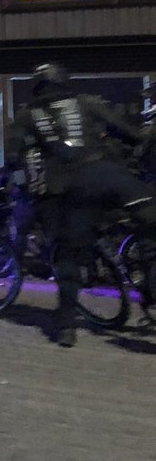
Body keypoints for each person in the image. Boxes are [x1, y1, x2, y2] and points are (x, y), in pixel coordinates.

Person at [10, 63, 156, 347]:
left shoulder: (28, 115)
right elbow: (130, 134)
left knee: (68, 258)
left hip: (70, 189)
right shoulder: (86, 103)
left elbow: (18, 156)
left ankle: (66, 327)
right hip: (106, 176)